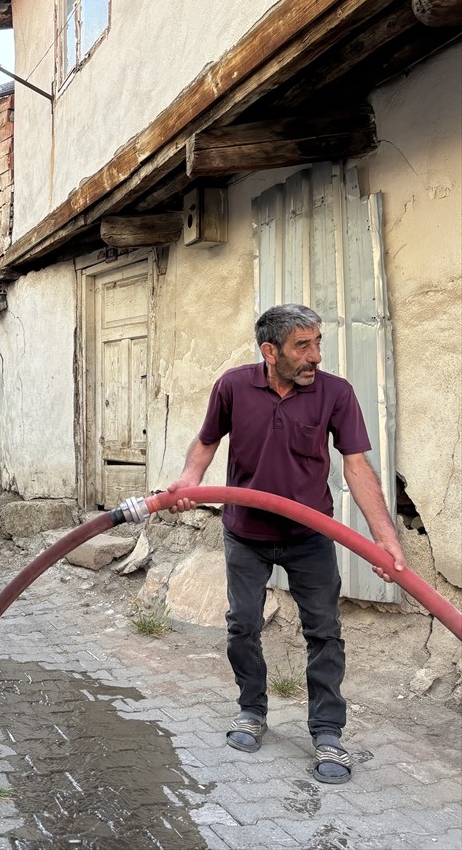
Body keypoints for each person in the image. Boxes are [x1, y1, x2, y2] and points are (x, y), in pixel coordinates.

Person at [167, 304, 404, 785]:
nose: (316, 355)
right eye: (304, 346)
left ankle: (328, 732)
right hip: (245, 532)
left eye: (318, 343)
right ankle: (251, 711)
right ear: (269, 351)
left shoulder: (336, 393)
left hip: (309, 534)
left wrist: (385, 539)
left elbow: (356, 467)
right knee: (242, 625)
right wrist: (189, 482)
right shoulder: (234, 386)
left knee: (324, 630)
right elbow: (207, 441)